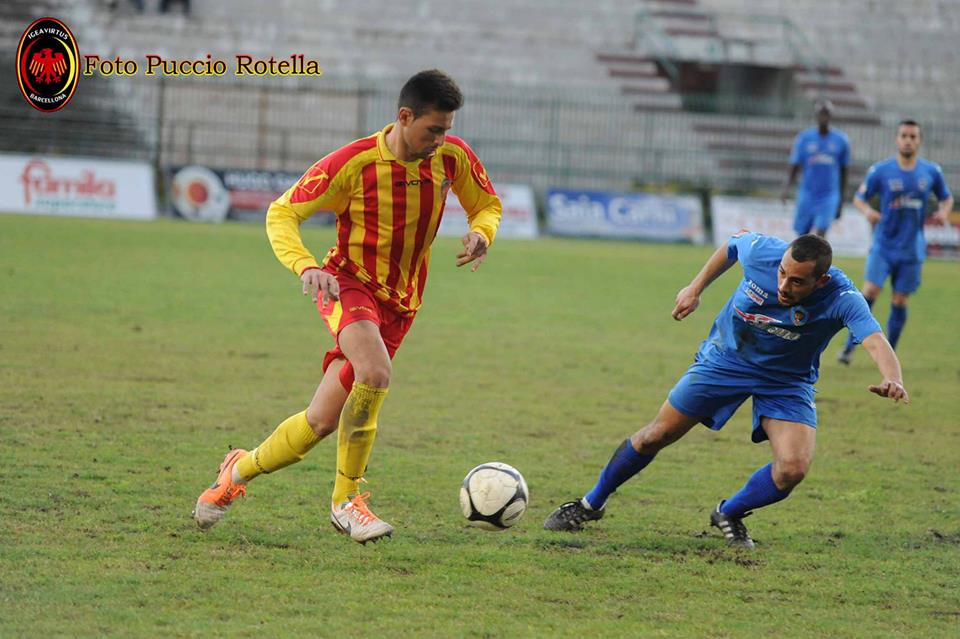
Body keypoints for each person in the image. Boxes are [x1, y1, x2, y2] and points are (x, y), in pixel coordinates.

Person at [192, 69, 502, 543]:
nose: (441, 140)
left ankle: (237, 471)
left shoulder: (452, 157)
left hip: (403, 303)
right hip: (346, 285)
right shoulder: (353, 164)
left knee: (319, 422)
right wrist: (305, 266)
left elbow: (487, 205)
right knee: (374, 373)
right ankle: (346, 502)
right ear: (403, 116)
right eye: (433, 130)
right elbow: (283, 212)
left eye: (446, 130)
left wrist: (482, 233)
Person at [544, 232, 908, 548]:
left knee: (793, 468)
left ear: (821, 280)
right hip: (727, 359)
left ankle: (728, 513)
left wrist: (893, 377)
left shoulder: (843, 297)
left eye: (797, 282)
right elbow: (732, 245)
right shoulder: (763, 250)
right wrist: (695, 288)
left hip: (786, 381)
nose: (784, 285)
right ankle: (590, 504)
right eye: (782, 273)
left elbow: (874, 339)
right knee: (655, 435)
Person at [838, 119, 953, 364]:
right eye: (904, 135)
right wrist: (867, 211)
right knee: (869, 292)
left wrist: (944, 212)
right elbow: (859, 198)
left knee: (899, 300)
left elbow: (946, 198)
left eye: (913, 136)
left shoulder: (931, 171)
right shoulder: (881, 170)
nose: (908, 140)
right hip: (884, 244)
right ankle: (849, 347)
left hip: (912, 248)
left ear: (919, 141)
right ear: (897, 139)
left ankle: (891, 351)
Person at [781, 100, 850, 238]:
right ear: (816, 115)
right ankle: (801, 260)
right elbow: (794, 165)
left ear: (831, 116)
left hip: (829, 195)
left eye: (827, 114)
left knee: (820, 235)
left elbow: (844, 172)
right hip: (807, 194)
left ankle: (817, 260)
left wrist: (841, 201)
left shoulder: (841, 140)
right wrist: (786, 188)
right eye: (821, 114)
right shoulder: (804, 138)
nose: (824, 117)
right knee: (802, 236)